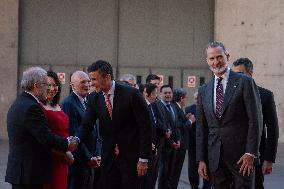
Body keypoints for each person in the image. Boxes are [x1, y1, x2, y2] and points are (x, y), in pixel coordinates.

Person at [196, 42, 262, 189]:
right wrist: (201, 159)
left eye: (219, 57)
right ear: (207, 61)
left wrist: (251, 152)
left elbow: (255, 119)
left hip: (242, 158)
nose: (216, 62)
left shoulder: (245, 82)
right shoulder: (203, 90)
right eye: (211, 58)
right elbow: (201, 128)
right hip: (215, 158)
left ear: (227, 56)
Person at [78, 60, 152, 189]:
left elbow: (146, 126)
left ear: (107, 77)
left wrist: (143, 158)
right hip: (109, 159)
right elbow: (86, 125)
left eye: (94, 79)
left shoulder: (131, 94)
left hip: (132, 159)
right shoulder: (93, 98)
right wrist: (75, 139)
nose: (91, 83)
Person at [5, 67, 78, 189]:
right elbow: (45, 137)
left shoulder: (21, 101)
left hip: (24, 172)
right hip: (28, 173)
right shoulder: (31, 107)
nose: (48, 88)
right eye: (46, 84)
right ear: (36, 85)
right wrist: (67, 143)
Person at [232, 58, 279, 189]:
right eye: (234, 74)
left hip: (256, 157)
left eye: (240, 73)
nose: (237, 77)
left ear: (250, 74)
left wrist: (269, 159)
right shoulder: (228, 95)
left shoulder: (265, 95)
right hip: (231, 156)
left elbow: (272, 129)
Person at [61, 71, 100, 189]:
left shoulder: (89, 101)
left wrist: (97, 155)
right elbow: (73, 135)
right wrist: (89, 158)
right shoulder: (68, 104)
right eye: (83, 82)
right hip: (78, 164)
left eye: (88, 81)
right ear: (72, 85)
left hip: (90, 164)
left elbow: (95, 131)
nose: (87, 84)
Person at [41, 70, 74, 189]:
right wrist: (65, 152)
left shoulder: (58, 105)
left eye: (55, 85)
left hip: (63, 161)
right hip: (50, 158)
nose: (52, 88)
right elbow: (43, 138)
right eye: (48, 85)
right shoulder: (38, 107)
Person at [185, 91, 210, 189]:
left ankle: (206, 186)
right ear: (194, 99)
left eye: (199, 98)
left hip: (206, 144)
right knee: (193, 168)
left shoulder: (208, 109)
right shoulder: (189, 110)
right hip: (193, 144)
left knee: (207, 167)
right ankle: (194, 186)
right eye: (196, 98)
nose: (198, 100)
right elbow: (188, 127)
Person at [171, 88, 195, 189]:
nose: (186, 100)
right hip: (178, 145)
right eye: (185, 98)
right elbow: (177, 125)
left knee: (176, 172)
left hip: (181, 144)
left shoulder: (178, 108)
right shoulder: (175, 107)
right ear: (181, 98)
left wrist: (186, 117)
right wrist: (190, 121)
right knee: (174, 172)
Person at [158, 85, 180, 189]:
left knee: (170, 173)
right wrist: (171, 142)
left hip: (174, 146)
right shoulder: (159, 107)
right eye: (165, 93)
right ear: (160, 94)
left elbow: (176, 126)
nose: (168, 95)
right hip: (164, 146)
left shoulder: (173, 106)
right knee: (163, 173)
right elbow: (162, 127)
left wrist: (178, 140)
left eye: (169, 93)